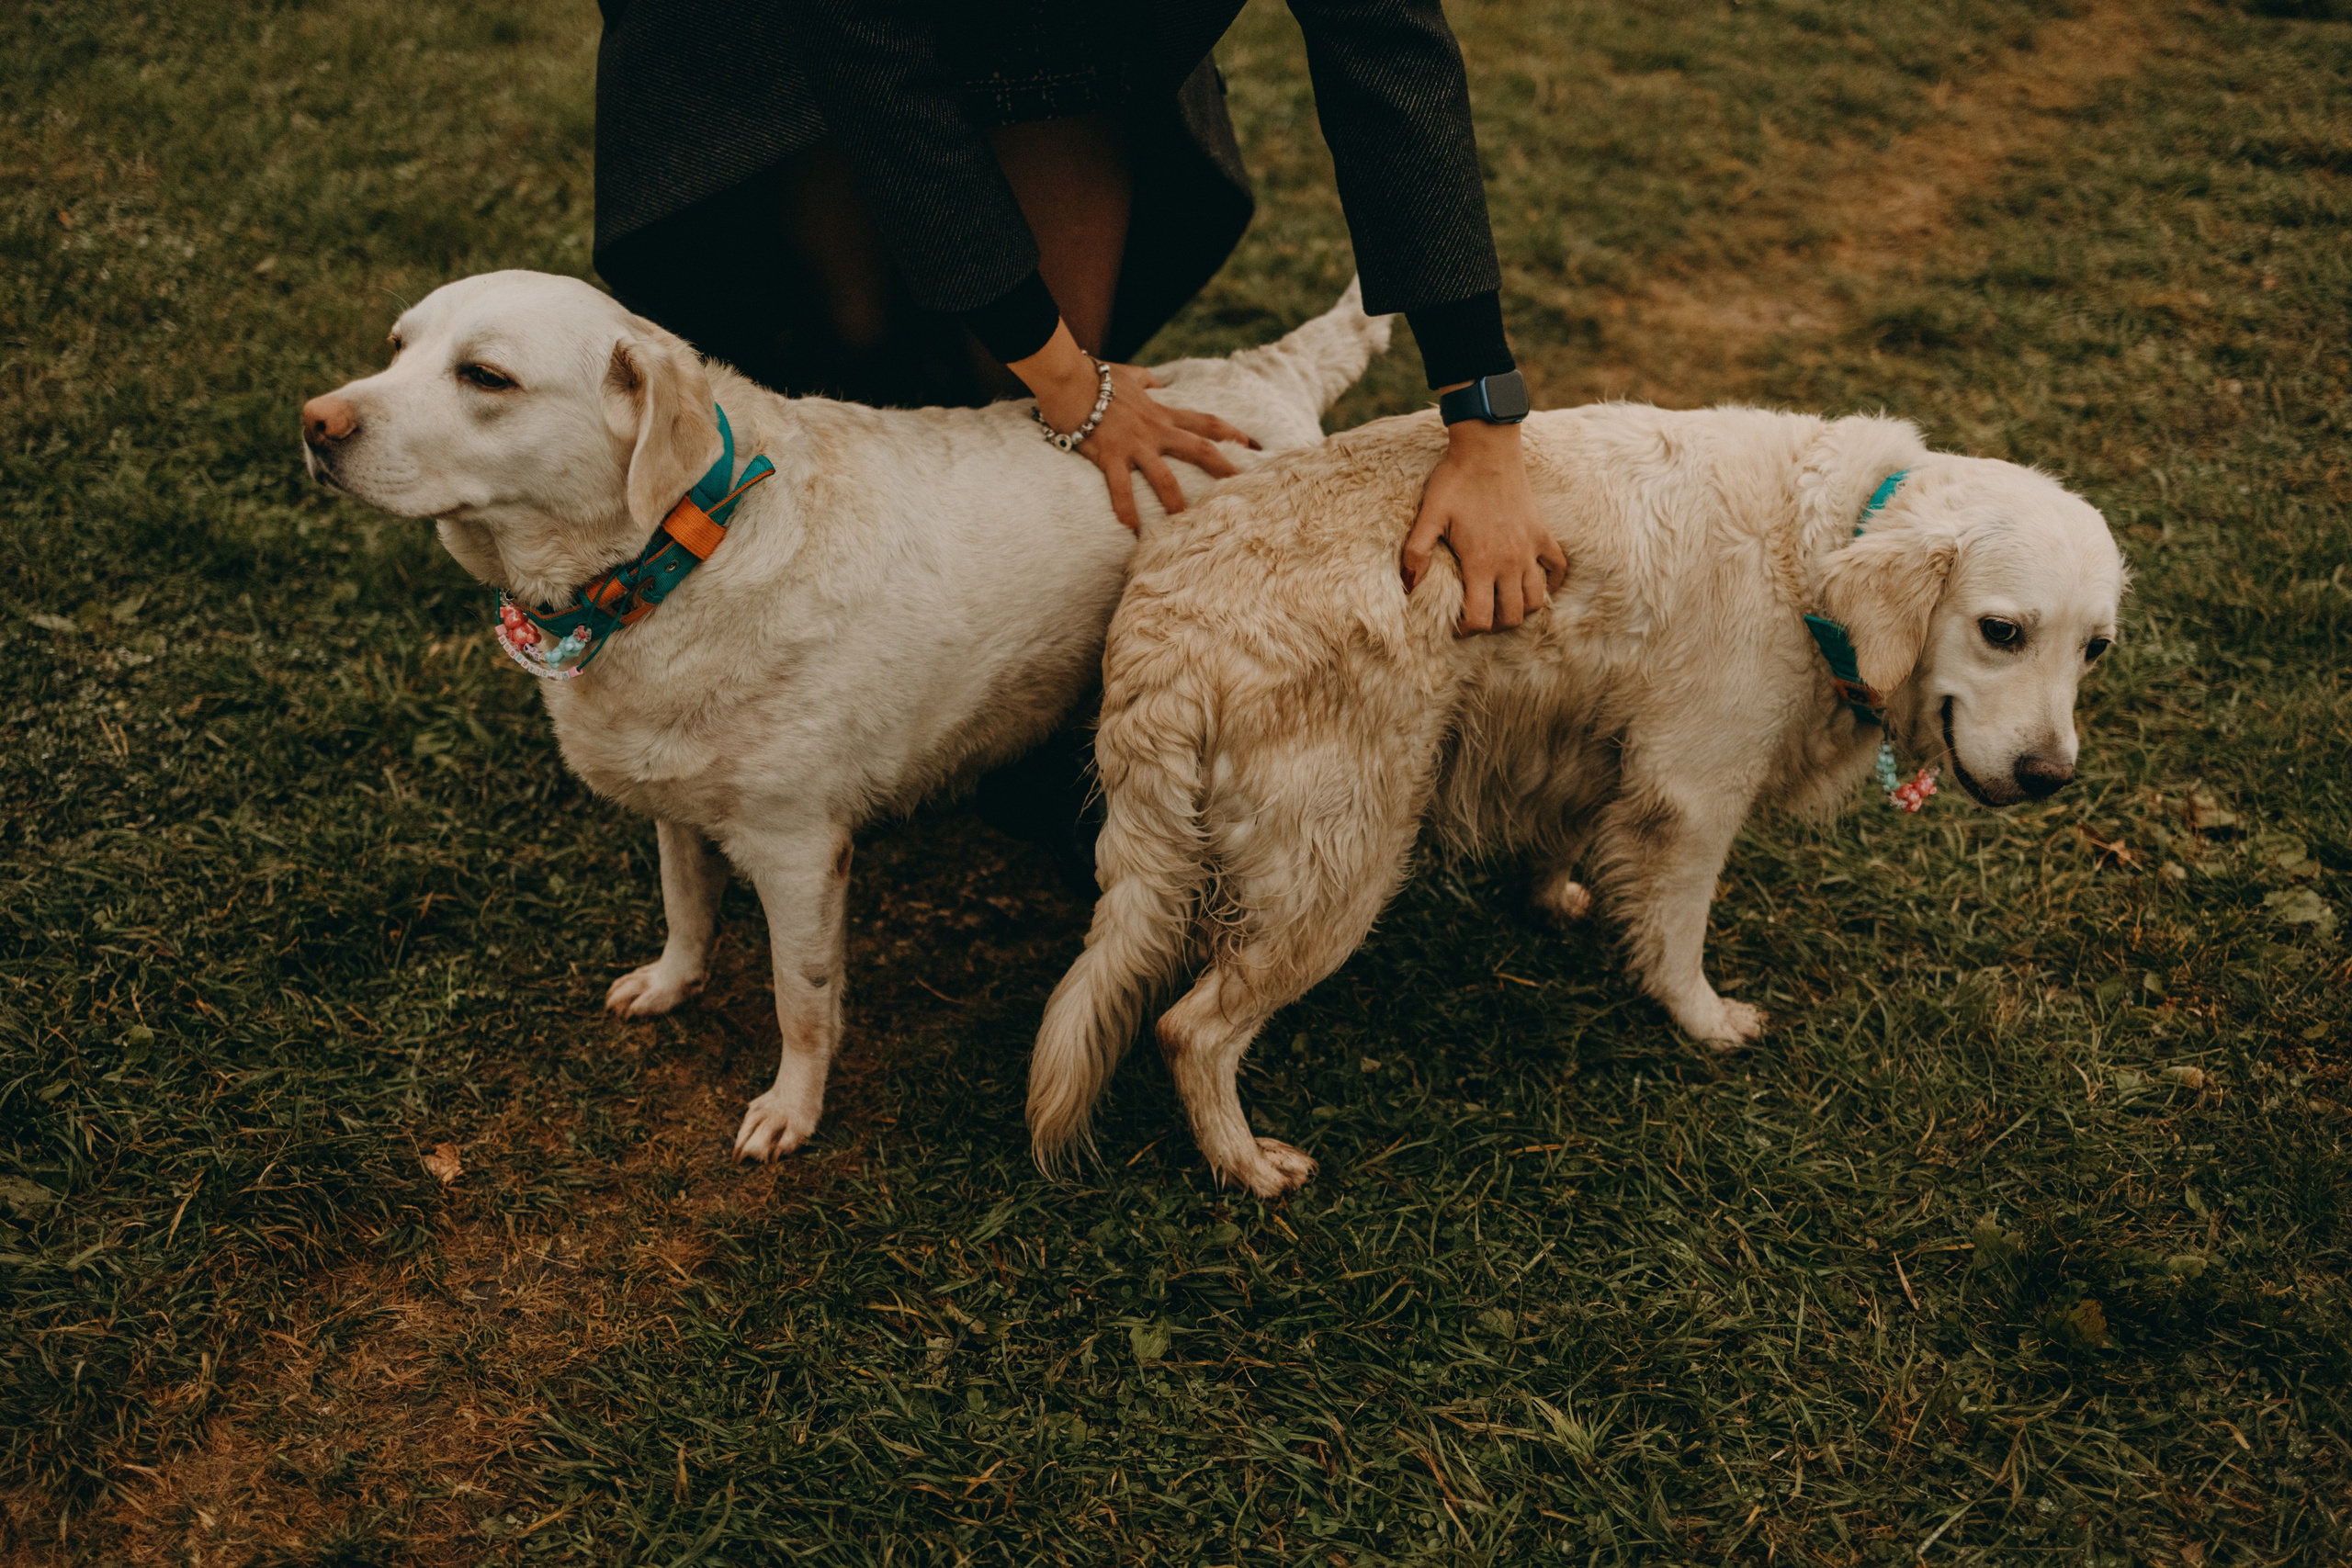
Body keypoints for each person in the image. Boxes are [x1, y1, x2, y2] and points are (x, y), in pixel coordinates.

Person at [592, 0, 1567, 635]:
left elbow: (1389, 56)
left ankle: (1011, 682)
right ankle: (815, 646)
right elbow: (875, 80)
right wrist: (1070, 386)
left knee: (1040, 365)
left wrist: (1483, 428)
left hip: (1067, 34)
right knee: (846, 334)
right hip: (780, 32)